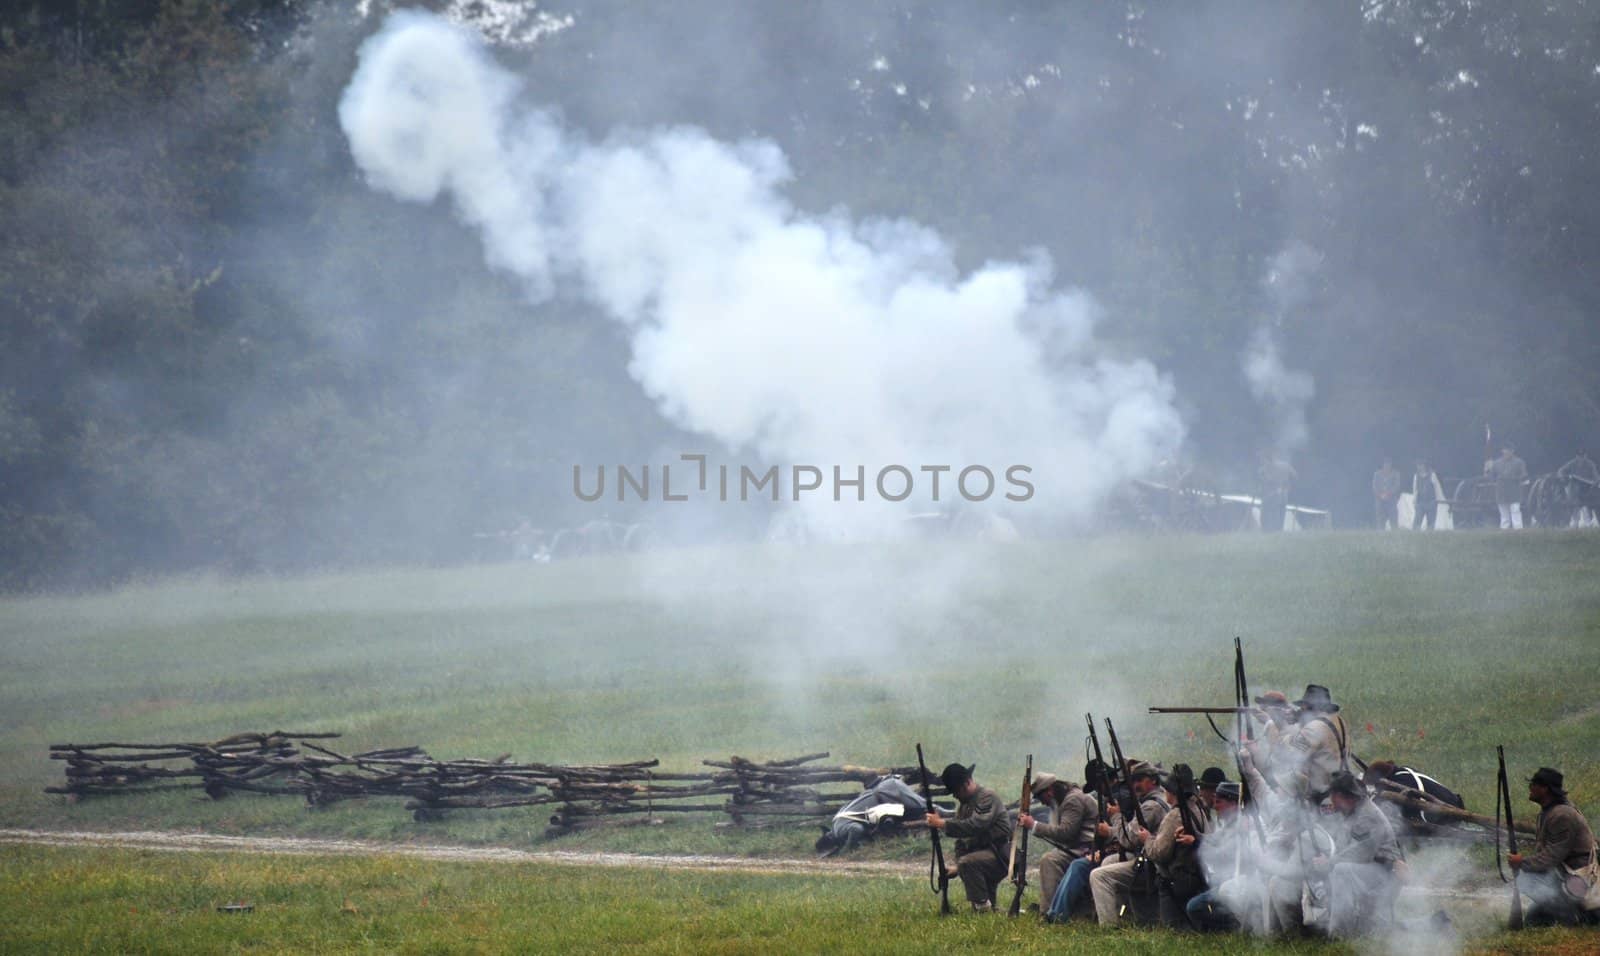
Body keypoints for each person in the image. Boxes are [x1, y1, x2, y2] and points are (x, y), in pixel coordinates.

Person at [1509, 767, 1598, 926]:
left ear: (1545, 788)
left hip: (1577, 880)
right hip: (1561, 876)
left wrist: (1522, 863)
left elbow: (1553, 856)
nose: (1530, 788)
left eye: (1534, 784)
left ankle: (1574, 918)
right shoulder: (1549, 812)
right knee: (1533, 920)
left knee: (1525, 879)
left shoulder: (1562, 815)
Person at [1319, 771, 1404, 938]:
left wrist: (1329, 862)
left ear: (1343, 796)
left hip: (1385, 873)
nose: (1331, 799)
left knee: (1341, 870)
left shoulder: (1367, 815)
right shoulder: (1350, 810)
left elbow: (1360, 854)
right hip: (1369, 870)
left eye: (1333, 795)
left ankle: (1339, 934)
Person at [1089, 760, 1169, 925]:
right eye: (1133, 781)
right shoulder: (1154, 801)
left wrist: (1116, 816)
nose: (1135, 785)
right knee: (1108, 861)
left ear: (1153, 780)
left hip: (1153, 865)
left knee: (1098, 876)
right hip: (1149, 858)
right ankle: (1127, 916)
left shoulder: (1151, 807)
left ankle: (1109, 927)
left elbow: (1128, 840)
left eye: (1140, 780)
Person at [926, 762, 1013, 913]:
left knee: (967, 863)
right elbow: (962, 839)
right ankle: (987, 908)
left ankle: (982, 909)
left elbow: (976, 825)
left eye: (956, 790)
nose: (954, 795)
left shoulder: (987, 797)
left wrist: (942, 823)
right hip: (983, 856)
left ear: (966, 783)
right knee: (966, 863)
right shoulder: (965, 805)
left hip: (1000, 855)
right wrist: (957, 867)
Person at [1018, 771, 1099, 916]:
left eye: (1040, 797)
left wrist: (1034, 825)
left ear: (1049, 791)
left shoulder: (1072, 800)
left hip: (1089, 849)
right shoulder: (1066, 799)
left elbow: (1066, 832)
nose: (1042, 802)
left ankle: (1049, 913)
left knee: (1050, 860)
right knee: (1052, 857)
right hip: (1079, 848)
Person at [1145, 768, 1212, 927]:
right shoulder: (1199, 810)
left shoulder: (1175, 815)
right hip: (1195, 877)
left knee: (1173, 930)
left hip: (1175, 880)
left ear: (1171, 792)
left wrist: (1147, 839)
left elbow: (1159, 852)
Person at [1279, 684, 1350, 802]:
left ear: (1308, 707)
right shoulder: (1339, 721)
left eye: (1304, 707)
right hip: (1339, 789)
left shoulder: (1313, 728)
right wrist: (1300, 721)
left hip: (1321, 796)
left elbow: (1290, 756)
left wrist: (1284, 728)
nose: (1301, 709)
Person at [1486, 445, 1528, 530]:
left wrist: (1518, 479)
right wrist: (1488, 472)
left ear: (1513, 451)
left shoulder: (1519, 462)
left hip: (1514, 490)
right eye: (1505, 450)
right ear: (1502, 451)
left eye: (1509, 450)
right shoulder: (1496, 463)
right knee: (1504, 513)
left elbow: (1524, 474)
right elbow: (1491, 476)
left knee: (1515, 510)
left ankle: (1518, 529)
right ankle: (1505, 529)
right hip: (1501, 490)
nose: (1507, 452)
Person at [1258, 451, 1297, 533]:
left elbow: (1264, 480)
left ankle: (1268, 532)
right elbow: (1295, 476)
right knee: (1280, 514)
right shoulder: (1286, 465)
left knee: (1268, 515)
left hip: (1269, 496)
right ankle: (1278, 532)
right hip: (1283, 495)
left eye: (1263, 460)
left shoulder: (1265, 469)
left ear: (1267, 460)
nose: (1263, 462)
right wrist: (1287, 486)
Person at [1557, 452, 1599, 527]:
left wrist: (1595, 483)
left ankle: (1588, 521)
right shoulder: (1573, 463)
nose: (1581, 458)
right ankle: (1573, 521)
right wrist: (1564, 477)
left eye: (1583, 456)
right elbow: (1561, 471)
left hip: (1587, 487)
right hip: (1574, 488)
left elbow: (1596, 477)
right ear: (1577, 456)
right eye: (1579, 456)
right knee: (1574, 502)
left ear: (1586, 456)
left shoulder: (1590, 464)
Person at [1372, 459, 1402, 530]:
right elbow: (1374, 486)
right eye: (1385, 464)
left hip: (1391, 500)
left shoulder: (1396, 474)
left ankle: (1395, 533)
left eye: (1388, 464)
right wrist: (1380, 495)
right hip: (1380, 500)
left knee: (1393, 518)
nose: (1387, 466)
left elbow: (1397, 486)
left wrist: (1388, 494)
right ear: (1382, 465)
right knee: (1380, 519)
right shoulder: (1377, 474)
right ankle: (1380, 533)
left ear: (1391, 465)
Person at [1411, 461, 1440, 531]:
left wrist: (1437, 500)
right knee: (1416, 523)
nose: (1419, 467)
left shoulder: (1432, 475)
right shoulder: (1416, 476)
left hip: (1431, 502)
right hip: (1420, 502)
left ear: (1424, 465)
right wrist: (1414, 502)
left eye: (1420, 465)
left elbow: (1437, 488)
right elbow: (1415, 490)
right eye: (1418, 465)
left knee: (1430, 524)